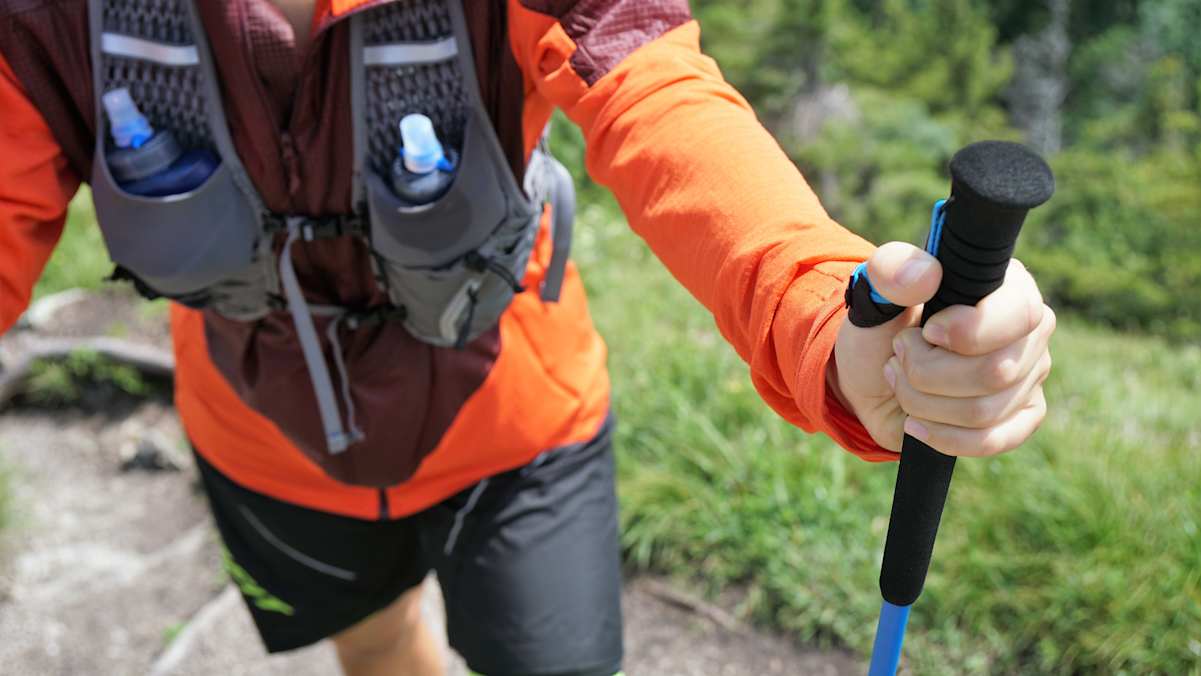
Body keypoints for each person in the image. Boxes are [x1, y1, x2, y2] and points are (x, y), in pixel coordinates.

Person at [0, 1, 1055, 674]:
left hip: (518, 431)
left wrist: (828, 312)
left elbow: (654, 92)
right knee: (371, 645)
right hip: (267, 447)